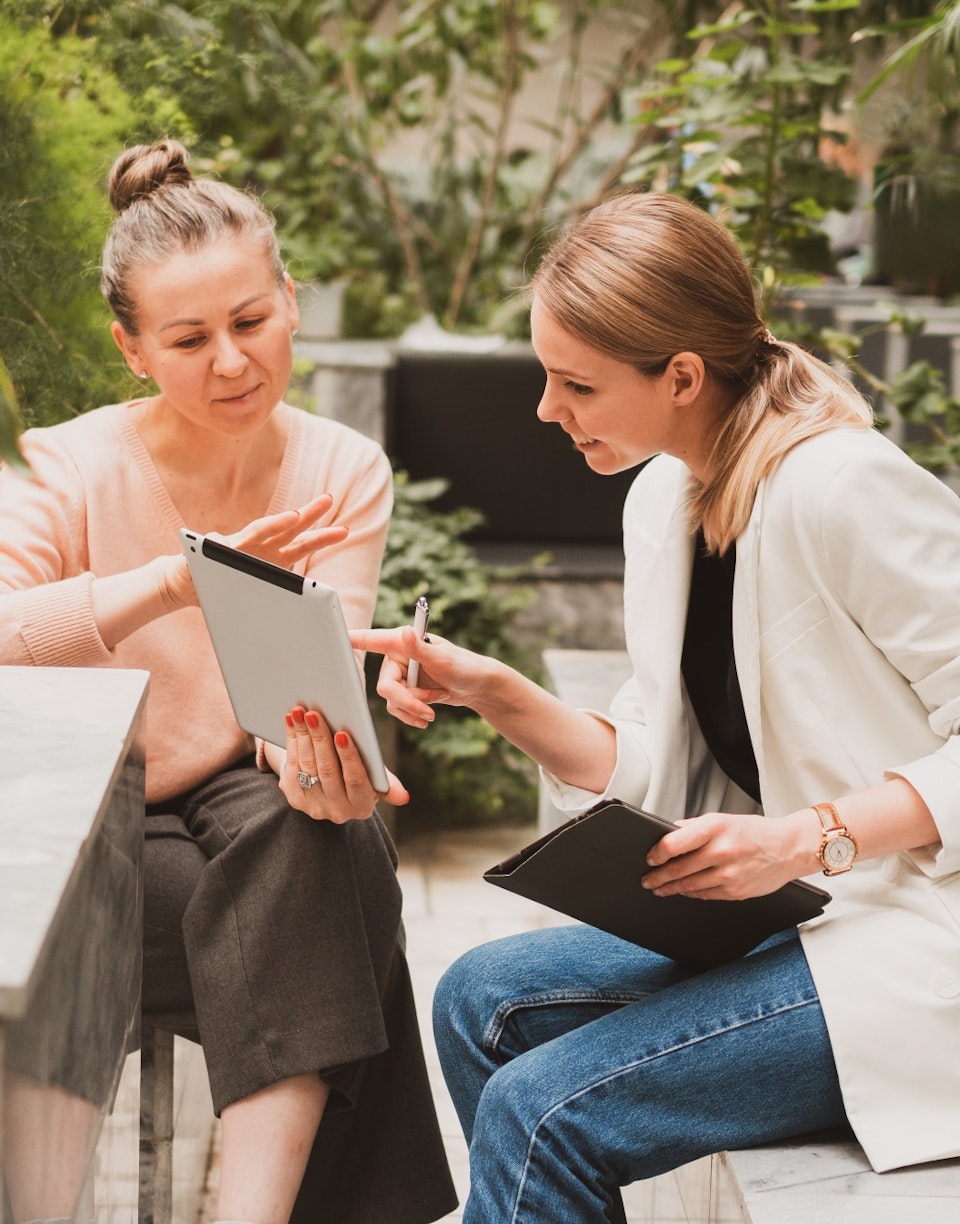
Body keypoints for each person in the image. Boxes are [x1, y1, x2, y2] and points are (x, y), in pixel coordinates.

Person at [352, 190, 960, 1223]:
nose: (548, 409)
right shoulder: (665, 498)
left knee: (543, 1113)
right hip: (812, 918)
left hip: (917, 942)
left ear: (681, 376)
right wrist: (498, 694)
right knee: (474, 1001)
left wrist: (806, 840)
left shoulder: (841, 486)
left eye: (576, 383)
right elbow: (652, 758)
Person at [0, 138, 456, 1224]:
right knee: (346, 904)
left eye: (251, 322)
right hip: (87, 812)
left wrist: (321, 761)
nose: (233, 362)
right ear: (133, 349)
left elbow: (296, 707)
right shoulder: (72, 463)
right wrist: (172, 580)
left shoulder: (341, 469)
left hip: (237, 809)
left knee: (327, 836)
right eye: (189, 338)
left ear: (290, 301)